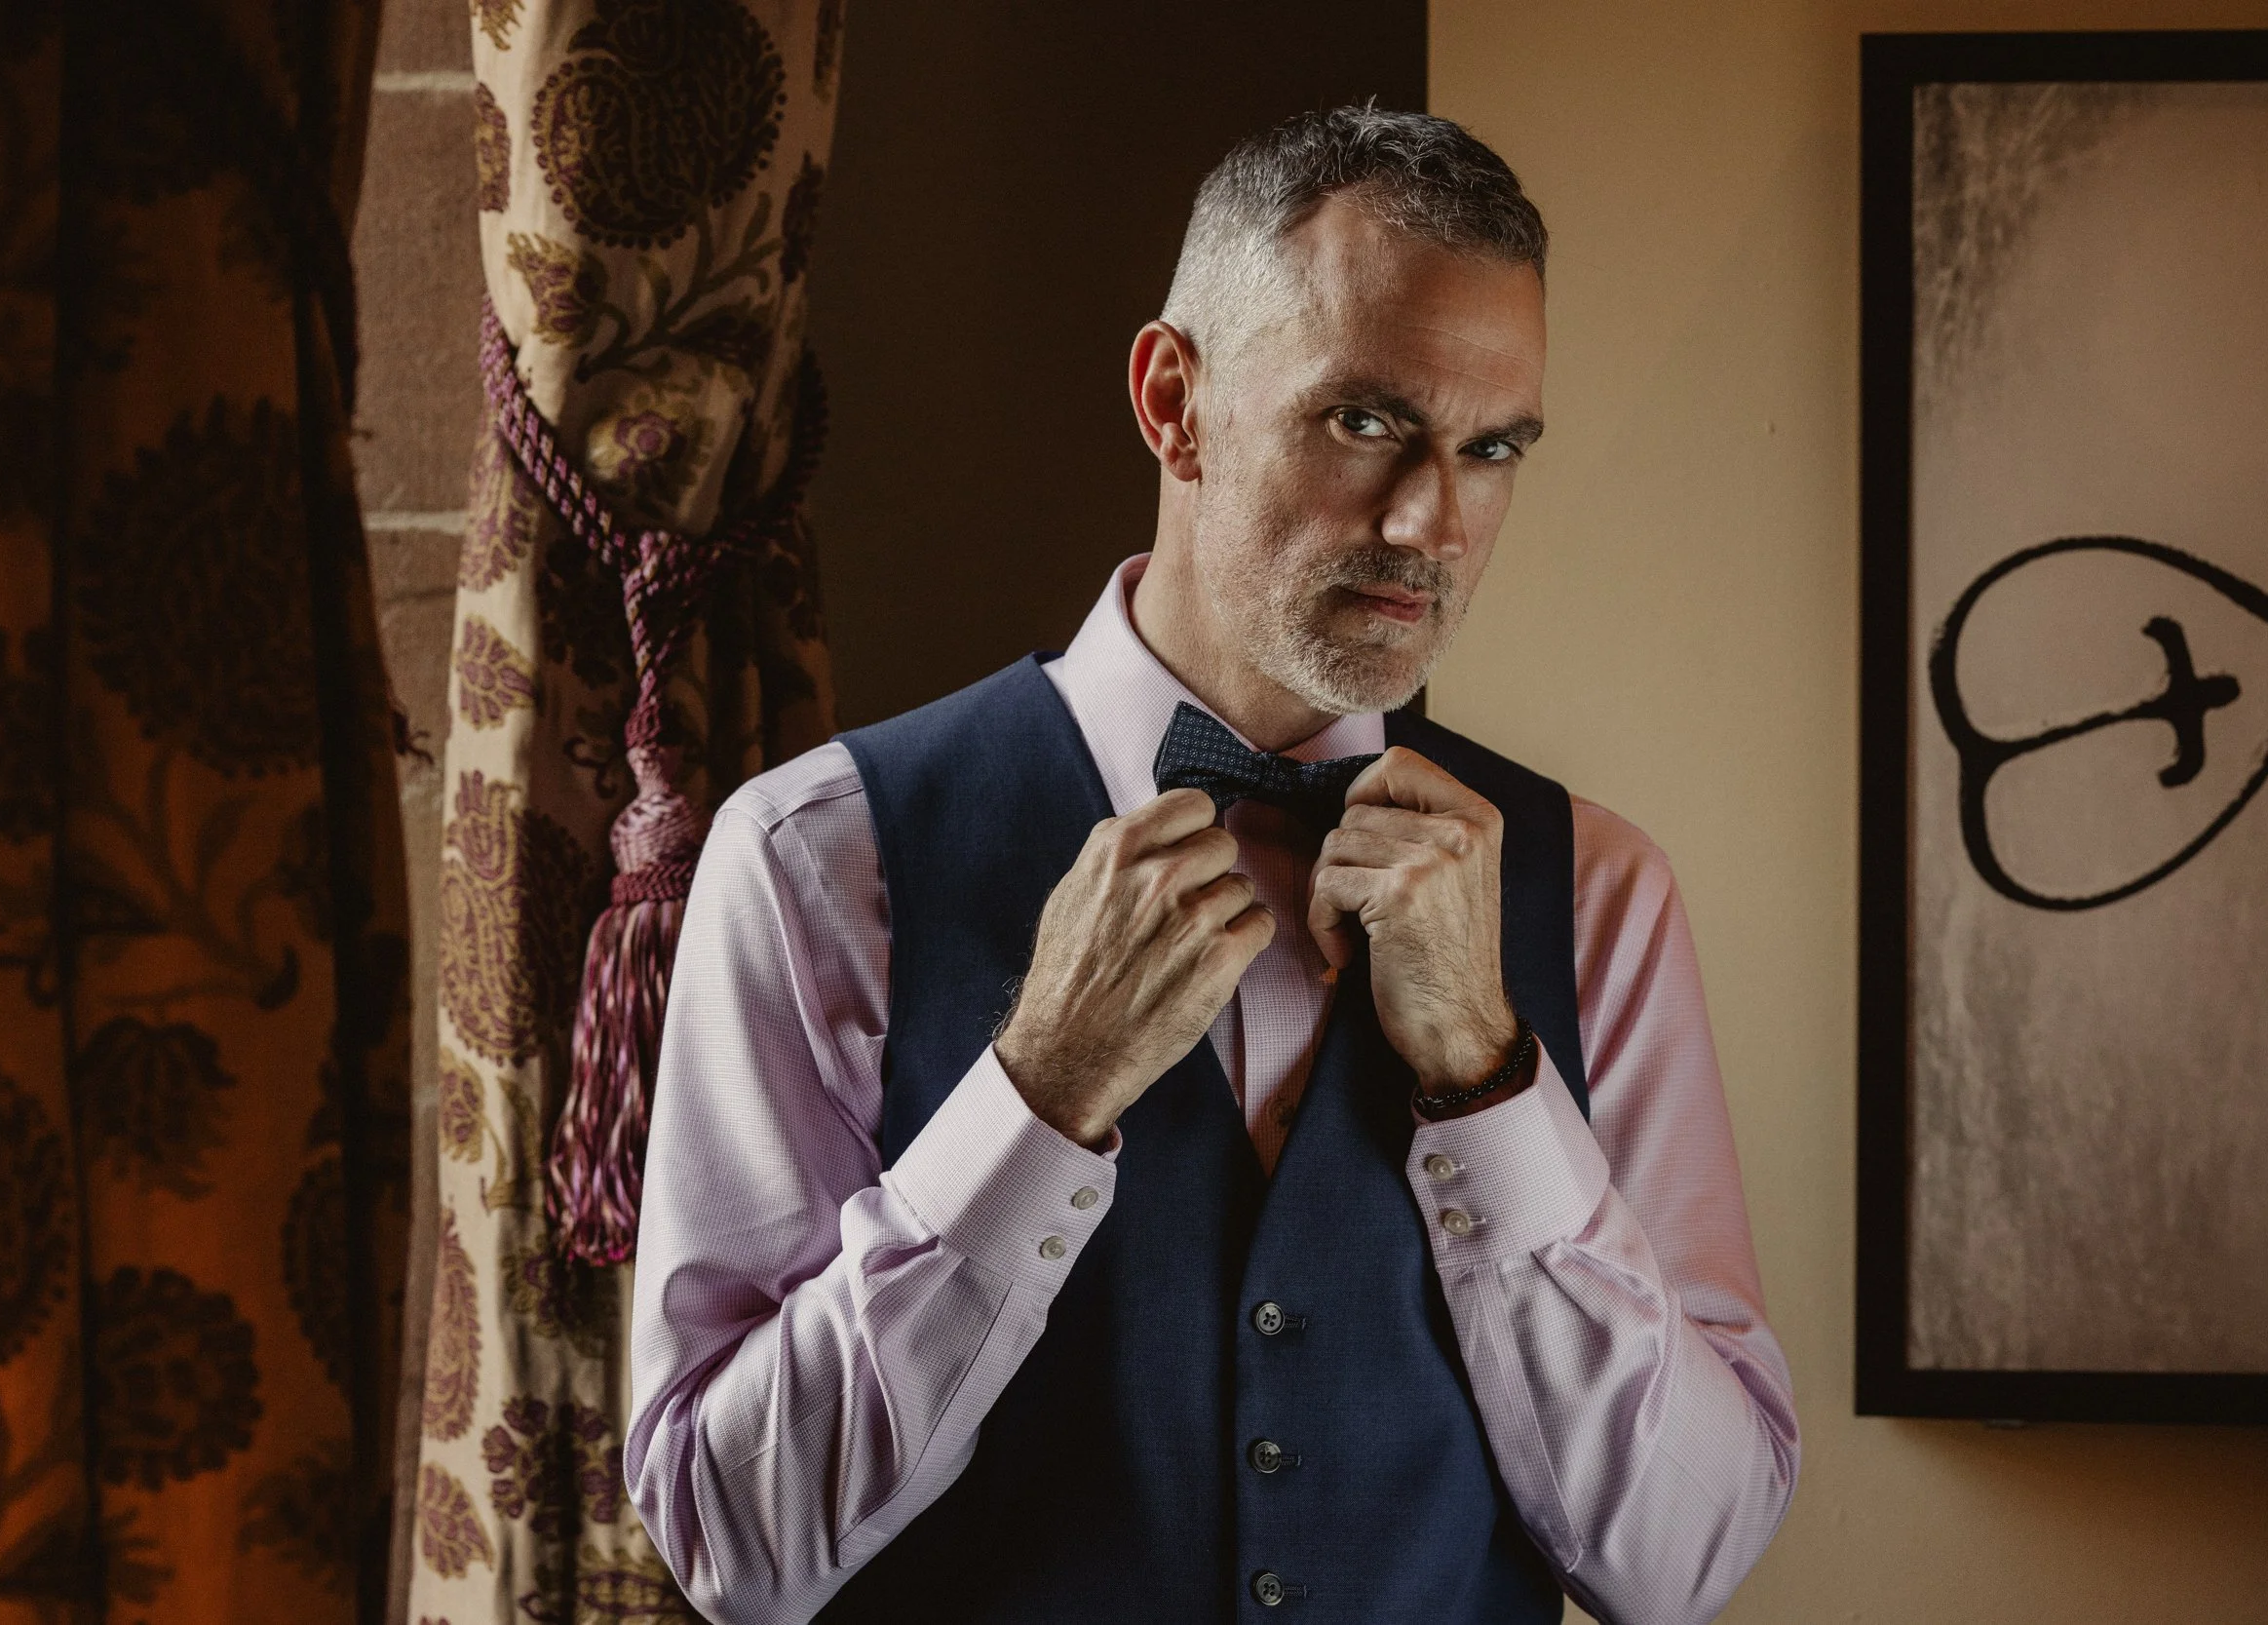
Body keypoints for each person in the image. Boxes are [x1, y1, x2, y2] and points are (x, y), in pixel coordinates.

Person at [624, 106, 1797, 1625]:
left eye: (1492, 448)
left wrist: (1490, 1080)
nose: (1432, 521)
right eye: (1365, 421)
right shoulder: (816, 857)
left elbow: (1686, 1558)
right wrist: (1038, 1093)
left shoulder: (1594, 896)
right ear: (1174, 402)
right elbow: (732, 1540)